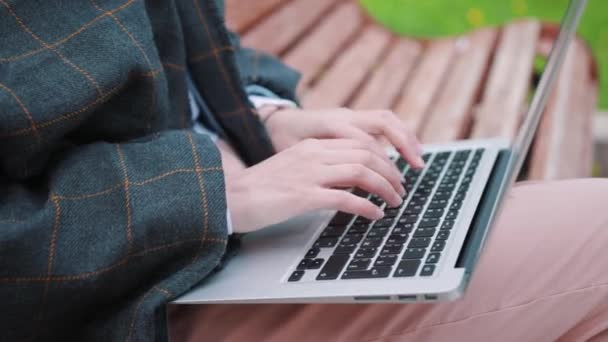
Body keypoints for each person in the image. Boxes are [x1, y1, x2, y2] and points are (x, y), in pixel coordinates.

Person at [0, 0, 606, 341]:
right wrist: (218, 192)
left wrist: (261, 118)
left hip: (229, 234)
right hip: (135, 301)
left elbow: (178, 32)